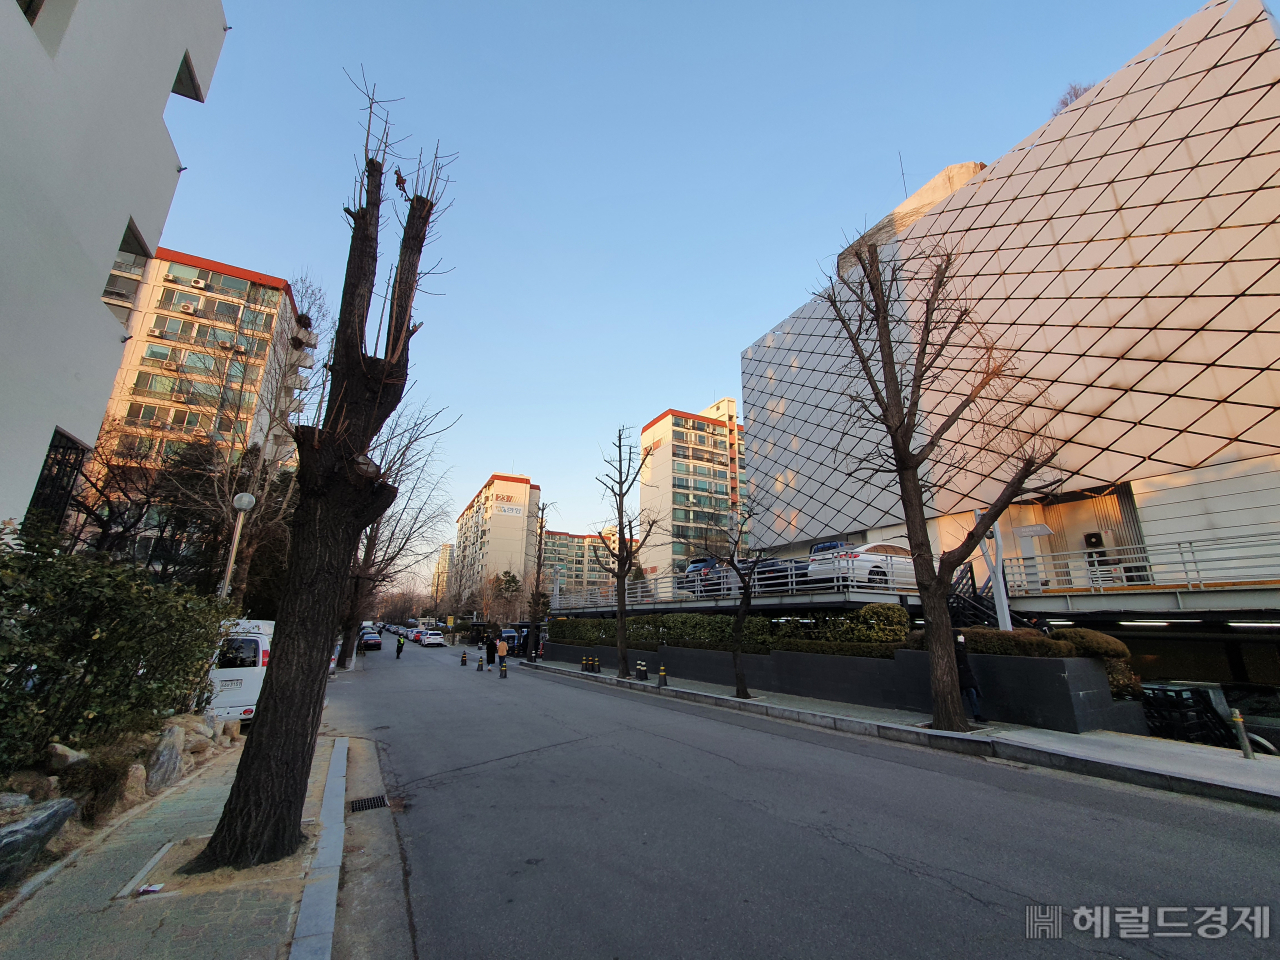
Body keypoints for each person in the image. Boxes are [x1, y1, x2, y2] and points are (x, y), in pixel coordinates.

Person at [954, 633, 985, 722]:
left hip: (964, 676)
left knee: (970, 694)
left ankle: (976, 714)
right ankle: (976, 714)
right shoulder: (959, 649)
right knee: (970, 694)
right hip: (963, 676)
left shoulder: (960, 649)